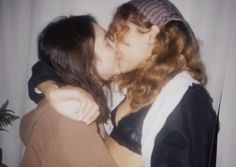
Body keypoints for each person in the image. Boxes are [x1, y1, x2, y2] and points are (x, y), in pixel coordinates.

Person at [28, 0, 217, 167]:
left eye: (120, 33)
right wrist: (50, 89)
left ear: (151, 35)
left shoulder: (187, 96)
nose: (114, 43)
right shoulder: (139, 86)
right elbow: (54, 61)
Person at [20, 15, 118, 167]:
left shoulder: (95, 98)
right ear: (85, 61)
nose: (116, 45)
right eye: (107, 42)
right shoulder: (75, 114)